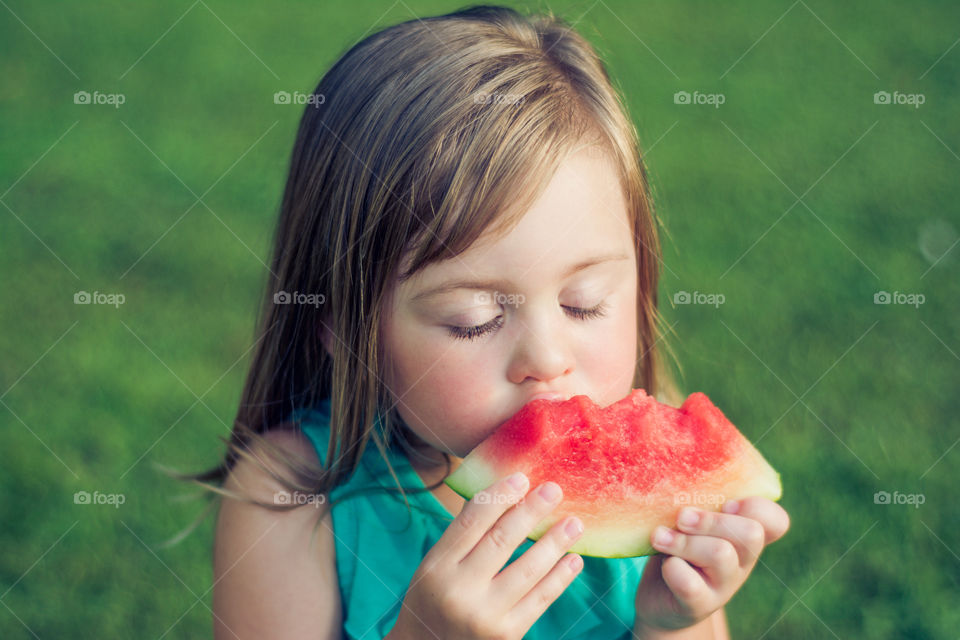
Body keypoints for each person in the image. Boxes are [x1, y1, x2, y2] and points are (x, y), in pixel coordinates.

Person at [194, 5, 790, 638]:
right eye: (473, 319)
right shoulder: (290, 500)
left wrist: (673, 623)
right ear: (341, 325)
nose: (547, 358)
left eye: (583, 302)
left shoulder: (660, 515)